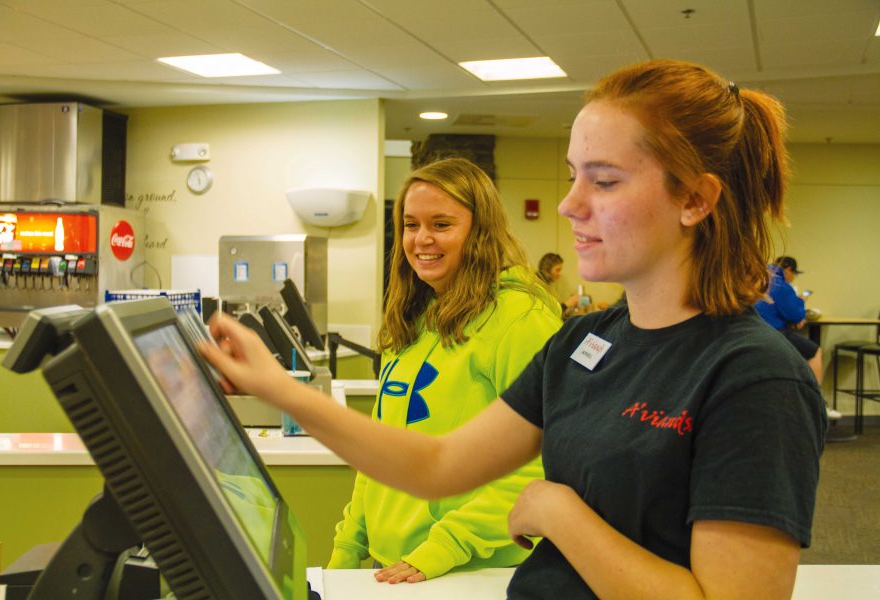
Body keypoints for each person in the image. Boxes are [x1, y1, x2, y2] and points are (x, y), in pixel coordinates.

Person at [201, 60, 827, 599]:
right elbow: (438, 464)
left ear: (695, 199)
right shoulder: (585, 343)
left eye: (603, 180)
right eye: (574, 173)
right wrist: (282, 391)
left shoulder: (753, 376)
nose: (569, 203)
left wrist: (560, 513)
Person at [345, 158, 567, 581]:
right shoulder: (412, 316)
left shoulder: (521, 318)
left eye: (442, 225)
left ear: (480, 231)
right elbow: (382, 451)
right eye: (411, 225)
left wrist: (445, 548)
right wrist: (347, 546)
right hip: (393, 566)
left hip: (473, 570)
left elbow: (545, 462)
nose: (422, 239)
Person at [755, 256, 841, 419]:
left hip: (754, 331)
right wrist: (800, 302)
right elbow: (795, 315)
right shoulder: (780, 283)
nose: (793, 277)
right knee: (815, 351)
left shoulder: (759, 277)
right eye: (794, 274)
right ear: (788, 270)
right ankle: (816, 402)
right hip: (772, 333)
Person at [536, 253, 579, 319]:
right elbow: (548, 313)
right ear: (547, 269)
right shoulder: (538, 286)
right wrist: (566, 304)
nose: (559, 274)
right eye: (557, 270)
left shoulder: (545, 284)